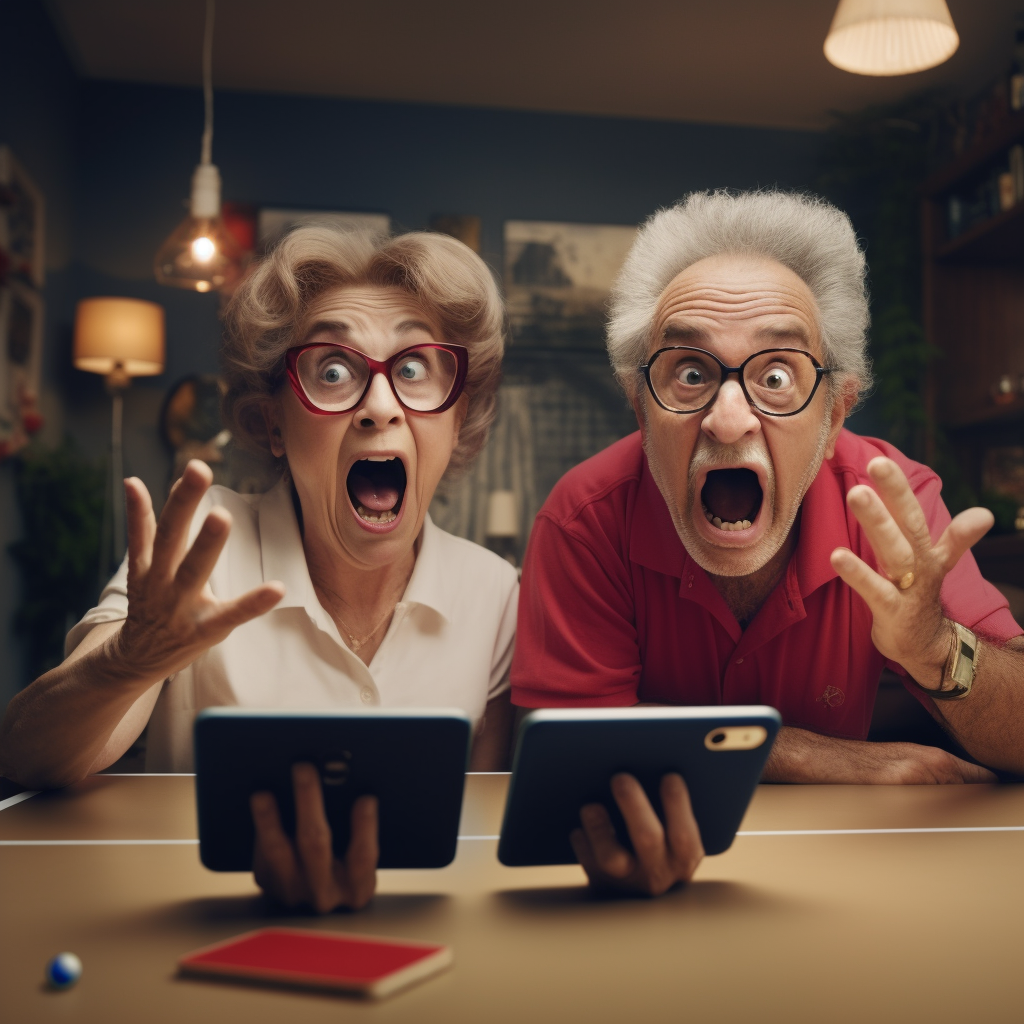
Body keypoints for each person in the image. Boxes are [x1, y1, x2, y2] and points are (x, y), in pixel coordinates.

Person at [513, 190, 1024, 890]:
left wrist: (937, 648)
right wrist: (809, 754)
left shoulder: (886, 501)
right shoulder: (583, 518)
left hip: (849, 879)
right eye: (690, 373)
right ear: (639, 405)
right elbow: (571, 761)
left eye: (777, 375)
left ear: (834, 412)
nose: (729, 420)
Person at [0, 227, 522, 913]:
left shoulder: (495, 595)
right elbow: (27, 759)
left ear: (457, 421)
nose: (379, 405)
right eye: (332, 371)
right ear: (272, 422)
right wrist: (127, 661)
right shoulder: (201, 547)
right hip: (200, 932)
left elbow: (478, 851)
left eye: (416, 369)